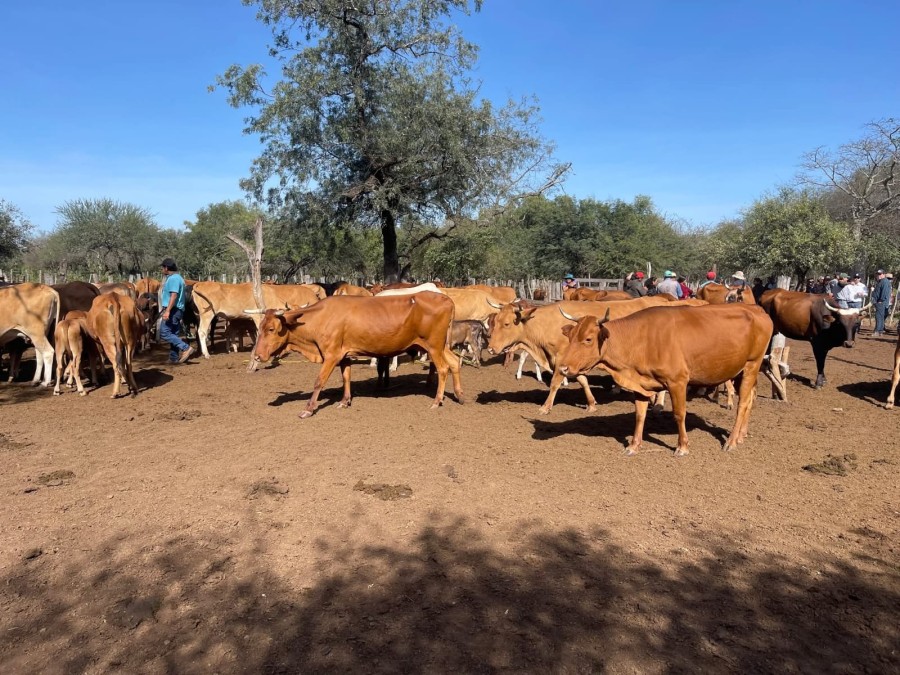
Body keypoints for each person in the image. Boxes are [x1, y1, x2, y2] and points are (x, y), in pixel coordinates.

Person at [159, 258, 194, 364]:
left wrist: (167, 311)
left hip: (173, 310)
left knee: (164, 333)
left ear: (166, 268)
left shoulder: (173, 279)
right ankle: (174, 358)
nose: (162, 270)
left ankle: (186, 348)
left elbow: (173, 295)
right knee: (173, 333)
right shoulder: (178, 278)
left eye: (162, 267)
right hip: (178, 310)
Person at [872, 269, 891, 336]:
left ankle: (877, 331)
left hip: (880, 302)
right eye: (878, 274)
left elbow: (884, 292)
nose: (879, 275)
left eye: (880, 274)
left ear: (884, 274)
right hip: (879, 301)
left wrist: (881, 300)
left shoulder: (884, 281)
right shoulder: (881, 281)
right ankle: (880, 331)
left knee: (878, 316)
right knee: (880, 316)